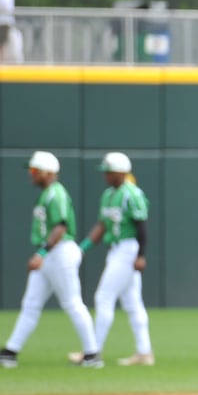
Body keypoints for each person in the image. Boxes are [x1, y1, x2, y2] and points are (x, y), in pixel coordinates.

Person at [0, 152, 103, 368]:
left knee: (72, 303)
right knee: (31, 304)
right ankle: (10, 352)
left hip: (59, 252)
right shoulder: (47, 194)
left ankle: (92, 355)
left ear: (48, 172)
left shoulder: (56, 193)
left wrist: (42, 253)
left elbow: (61, 226)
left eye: (35, 171)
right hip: (51, 253)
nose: (31, 175)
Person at [71, 152, 155, 367]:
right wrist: (82, 249)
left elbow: (142, 227)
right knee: (132, 302)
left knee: (104, 297)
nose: (105, 176)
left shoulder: (131, 194)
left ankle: (93, 351)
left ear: (121, 172)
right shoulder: (108, 195)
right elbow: (102, 225)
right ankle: (144, 352)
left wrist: (141, 255)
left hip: (128, 249)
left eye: (109, 172)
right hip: (116, 248)